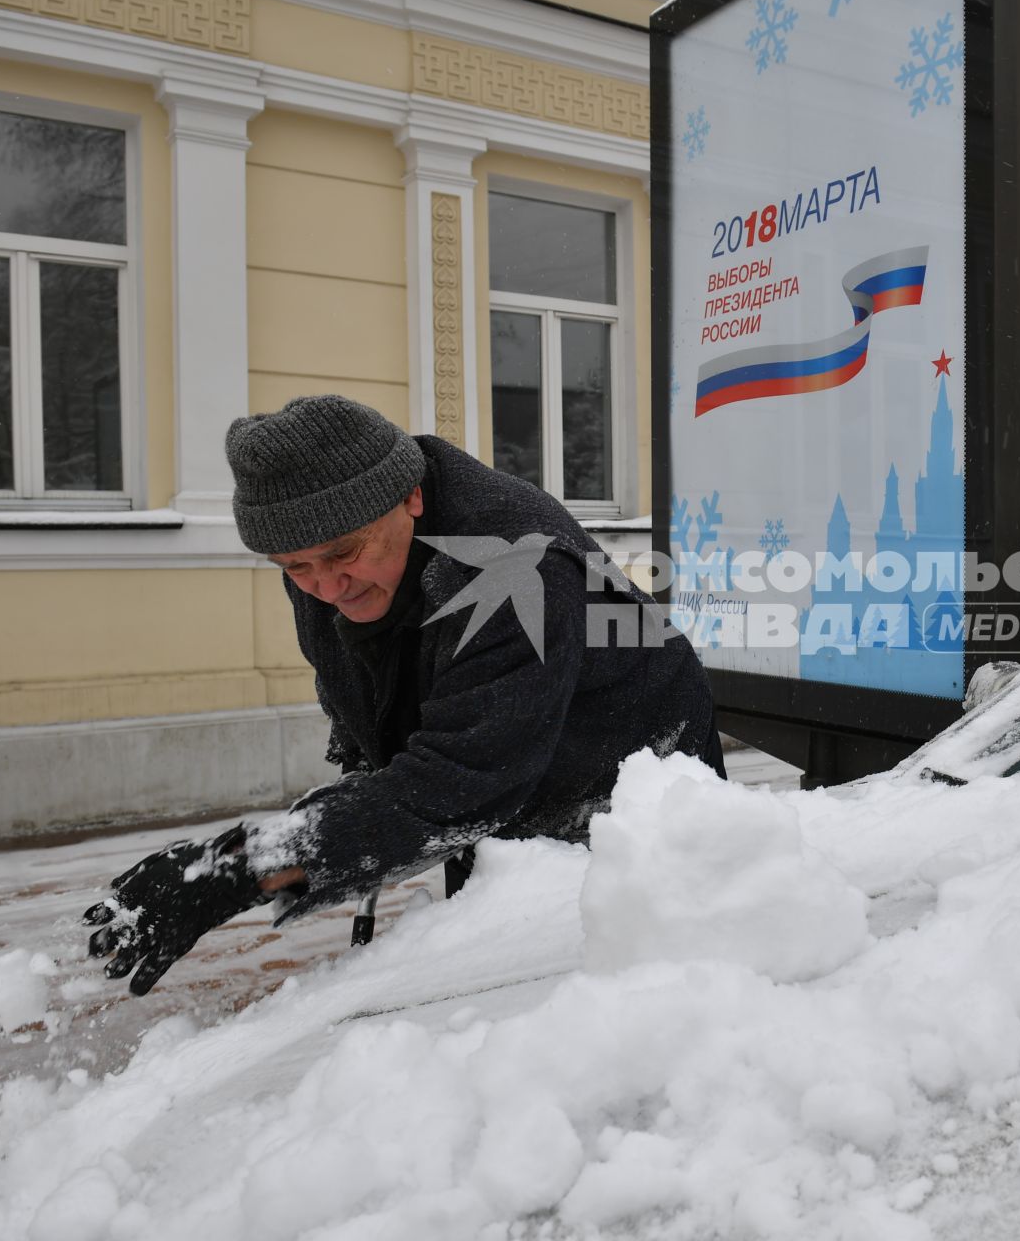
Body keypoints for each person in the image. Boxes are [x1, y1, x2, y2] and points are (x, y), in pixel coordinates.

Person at [84, 396, 722, 994]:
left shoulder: (512, 566)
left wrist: (243, 868)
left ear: (411, 497)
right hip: (508, 792)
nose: (326, 588)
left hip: (629, 806)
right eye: (294, 568)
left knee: (580, 1014)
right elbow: (370, 710)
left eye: (344, 555)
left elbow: (459, 786)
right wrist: (356, 794)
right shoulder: (329, 558)